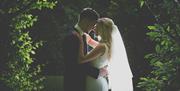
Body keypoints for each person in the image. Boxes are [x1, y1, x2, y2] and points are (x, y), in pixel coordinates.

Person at [75, 18, 133, 91]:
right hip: (99, 80)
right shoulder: (107, 45)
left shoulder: (101, 46)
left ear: (101, 29)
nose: (93, 29)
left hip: (93, 81)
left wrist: (80, 43)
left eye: (96, 27)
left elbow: (81, 60)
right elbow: (90, 41)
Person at [62, 8, 108, 91]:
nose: (93, 29)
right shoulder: (72, 36)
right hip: (74, 83)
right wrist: (97, 72)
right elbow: (73, 64)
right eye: (93, 25)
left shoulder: (83, 36)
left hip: (83, 83)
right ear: (86, 21)